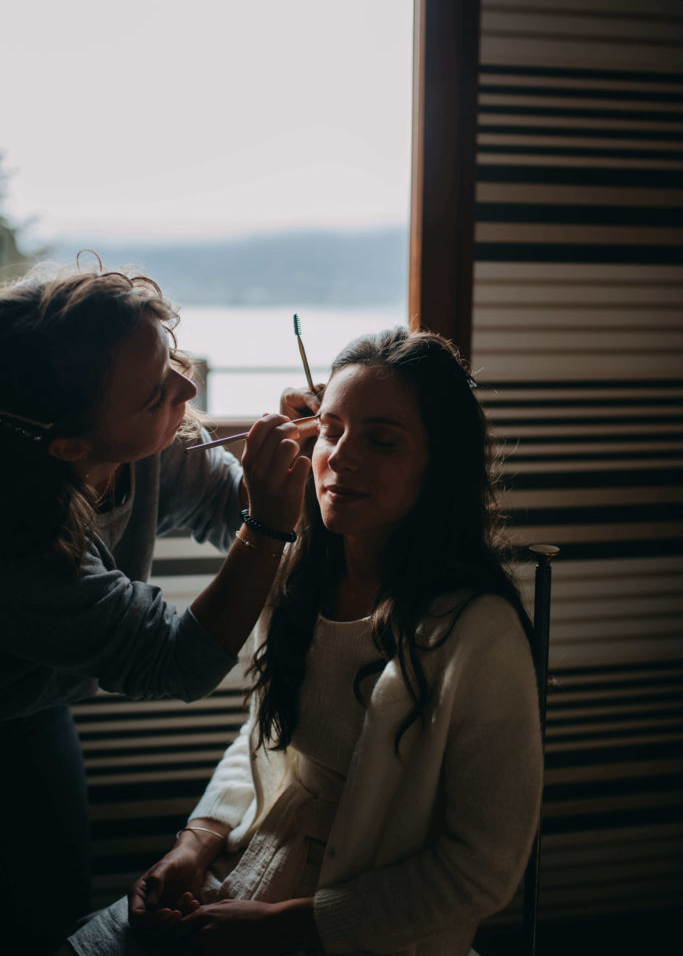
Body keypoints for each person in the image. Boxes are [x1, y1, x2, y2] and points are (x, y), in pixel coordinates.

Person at [64, 326, 543, 956]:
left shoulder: (477, 634)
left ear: (440, 464)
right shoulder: (297, 577)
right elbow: (269, 734)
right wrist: (195, 840)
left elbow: (481, 868)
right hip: (245, 861)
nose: (342, 456)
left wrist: (294, 925)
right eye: (334, 429)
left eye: (382, 440)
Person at [0, 259, 317, 954]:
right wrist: (267, 527)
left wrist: (310, 463)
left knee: (53, 906)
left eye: (171, 356)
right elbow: (178, 664)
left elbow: (225, 498)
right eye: (155, 395)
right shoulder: (19, 546)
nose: (188, 386)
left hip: (33, 709)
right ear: (71, 447)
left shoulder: (145, 450)